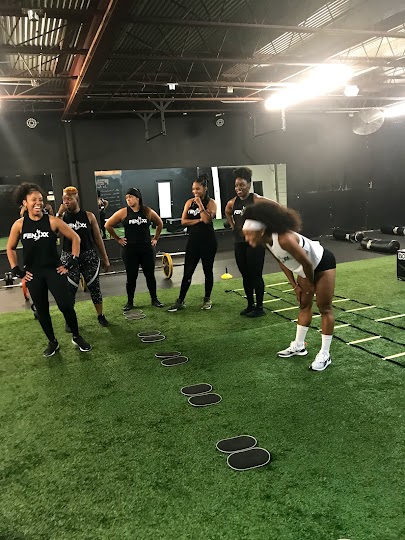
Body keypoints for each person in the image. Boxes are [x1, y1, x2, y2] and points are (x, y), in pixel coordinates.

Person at [242, 201, 336, 371]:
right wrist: (295, 286)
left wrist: (310, 285)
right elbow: (282, 262)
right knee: (304, 305)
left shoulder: (285, 239)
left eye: (249, 235)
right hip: (305, 268)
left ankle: (325, 354)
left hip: (322, 263)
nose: (247, 239)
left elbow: (307, 263)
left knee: (324, 307)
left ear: (261, 231)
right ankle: (299, 346)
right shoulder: (266, 242)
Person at [6, 183, 92, 357]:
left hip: (54, 271)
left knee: (66, 305)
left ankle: (76, 336)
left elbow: (75, 238)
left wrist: (71, 262)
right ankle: (53, 342)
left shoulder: (52, 221)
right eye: (34, 200)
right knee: (42, 310)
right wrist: (16, 270)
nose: (38, 203)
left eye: (40, 199)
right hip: (33, 275)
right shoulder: (19, 225)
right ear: (24, 203)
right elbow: (10, 248)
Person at [56, 186, 110, 328]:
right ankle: (70, 321)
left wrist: (105, 258)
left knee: (94, 287)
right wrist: (59, 214)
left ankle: (100, 316)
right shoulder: (62, 218)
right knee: (69, 290)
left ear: (76, 199)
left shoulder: (89, 216)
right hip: (69, 257)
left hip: (88, 255)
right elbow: (56, 234)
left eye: (69, 199)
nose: (66, 201)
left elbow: (98, 238)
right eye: (64, 199)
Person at [225, 167, 276, 318]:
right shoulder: (232, 203)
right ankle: (250, 305)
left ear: (249, 185)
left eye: (242, 185)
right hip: (239, 242)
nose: (238, 188)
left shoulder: (256, 200)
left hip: (255, 243)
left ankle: (259, 307)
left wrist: (265, 228)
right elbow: (227, 212)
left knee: (255, 274)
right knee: (245, 275)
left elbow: (276, 207)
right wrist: (233, 226)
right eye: (236, 186)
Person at [105, 187, 164, 310]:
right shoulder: (123, 212)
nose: (128, 200)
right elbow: (108, 225)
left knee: (150, 275)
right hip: (130, 250)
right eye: (126, 198)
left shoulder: (147, 211)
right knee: (131, 277)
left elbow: (159, 223)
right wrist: (118, 239)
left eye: (130, 197)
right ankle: (130, 302)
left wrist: (155, 238)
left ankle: (154, 299)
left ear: (138, 198)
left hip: (146, 249)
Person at [168, 174, 218, 312]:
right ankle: (180, 301)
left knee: (208, 270)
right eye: (193, 189)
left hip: (208, 242)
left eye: (198, 189)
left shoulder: (211, 203)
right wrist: (198, 220)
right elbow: (184, 221)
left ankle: (207, 299)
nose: (195, 192)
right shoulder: (189, 202)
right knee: (187, 272)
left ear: (205, 188)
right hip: (193, 241)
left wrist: (200, 205)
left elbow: (207, 220)